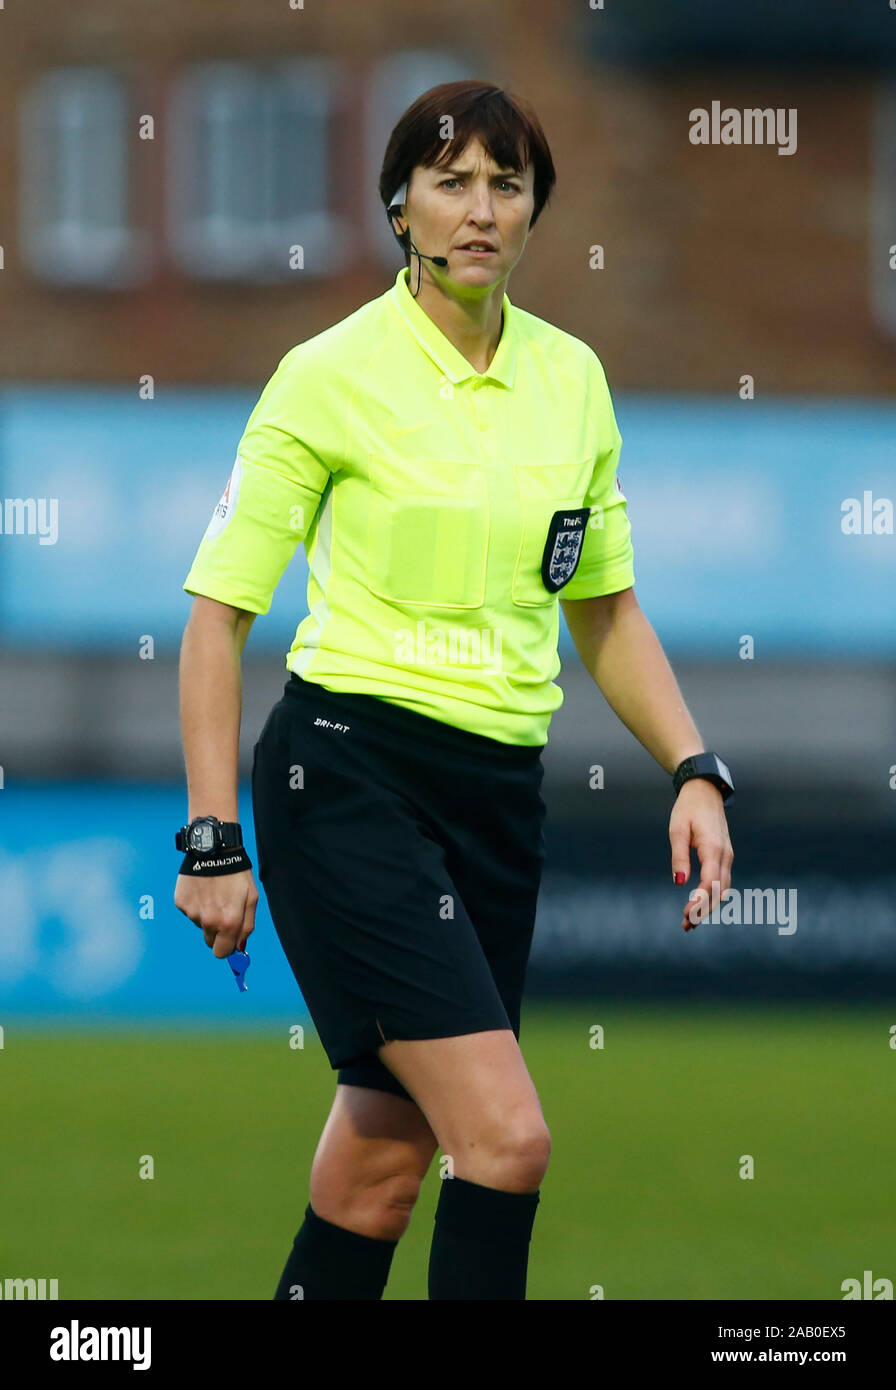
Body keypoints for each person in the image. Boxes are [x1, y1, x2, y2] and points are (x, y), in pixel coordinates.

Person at [174, 79, 735, 1301]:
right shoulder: (325, 373)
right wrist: (212, 839)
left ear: (534, 210)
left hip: (494, 801)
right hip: (347, 776)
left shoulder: (572, 379)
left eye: (507, 183)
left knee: (379, 1173)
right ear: (401, 208)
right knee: (506, 1140)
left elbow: (601, 606)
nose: (479, 208)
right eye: (451, 181)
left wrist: (693, 768)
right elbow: (216, 619)